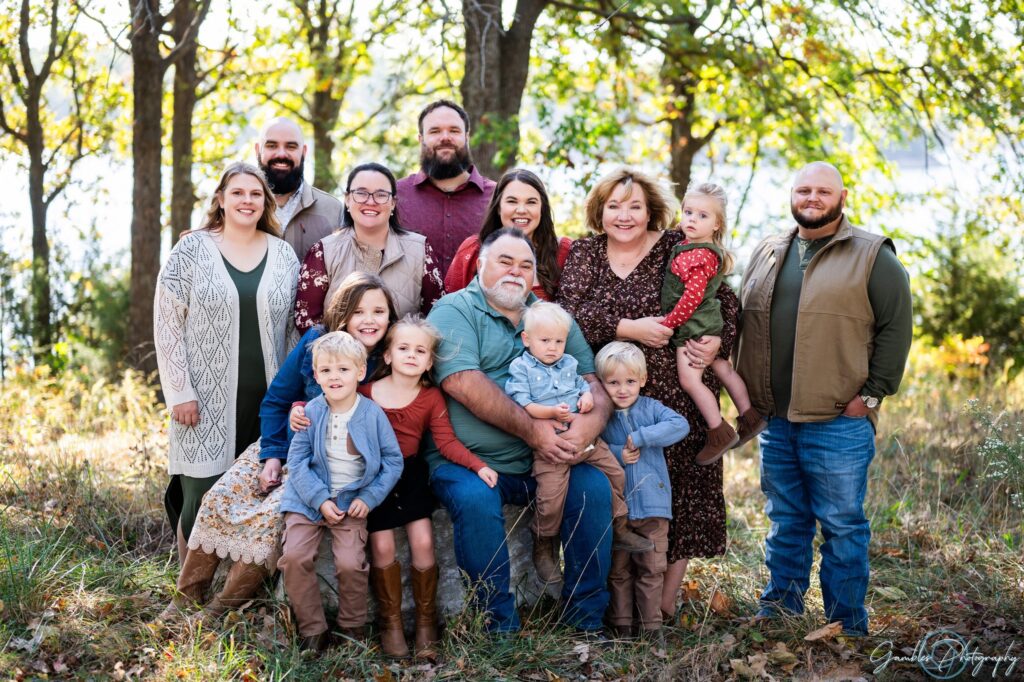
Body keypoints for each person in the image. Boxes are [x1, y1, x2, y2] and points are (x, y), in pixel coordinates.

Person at [734, 162, 912, 635]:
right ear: (792, 195)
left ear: (843, 196)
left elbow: (897, 329)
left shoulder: (873, 255)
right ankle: (781, 611)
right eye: (803, 189)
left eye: (823, 191)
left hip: (838, 419)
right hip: (776, 418)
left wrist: (870, 397)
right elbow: (742, 323)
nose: (812, 198)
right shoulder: (769, 250)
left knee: (842, 525)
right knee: (785, 519)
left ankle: (846, 624)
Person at [557, 166, 739, 622]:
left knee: (683, 491)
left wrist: (718, 340)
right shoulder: (585, 253)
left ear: (652, 210)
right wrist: (626, 328)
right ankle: (614, 600)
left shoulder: (674, 246)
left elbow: (725, 300)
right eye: (614, 205)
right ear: (600, 211)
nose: (624, 215)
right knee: (623, 493)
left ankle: (663, 602)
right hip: (610, 399)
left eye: (635, 205)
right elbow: (567, 314)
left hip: (678, 392)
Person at [163, 273, 397, 623]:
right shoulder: (316, 342)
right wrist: (271, 455)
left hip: (322, 470)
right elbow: (276, 400)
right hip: (282, 445)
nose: (369, 320)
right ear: (343, 314)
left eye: (379, 311)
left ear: (390, 317)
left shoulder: (386, 361)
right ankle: (186, 597)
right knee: (220, 496)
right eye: (359, 311)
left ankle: (217, 610)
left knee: (269, 522)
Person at [426, 228, 614, 634]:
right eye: (505, 262)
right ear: (480, 265)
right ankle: (498, 628)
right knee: (475, 499)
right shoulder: (452, 310)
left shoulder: (552, 317)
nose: (516, 272)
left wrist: (581, 433)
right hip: (468, 460)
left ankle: (586, 619)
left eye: (525, 265)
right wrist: (535, 432)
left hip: (546, 461)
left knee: (594, 487)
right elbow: (463, 383)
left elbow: (595, 384)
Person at [154, 161, 299, 572]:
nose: (246, 201)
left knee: (255, 493)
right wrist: (179, 392)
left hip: (267, 399)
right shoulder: (192, 250)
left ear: (265, 202)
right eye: (237, 193)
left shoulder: (284, 255)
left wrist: (291, 398)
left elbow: (291, 331)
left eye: (255, 194)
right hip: (203, 397)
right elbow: (167, 325)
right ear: (220, 199)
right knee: (200, 493)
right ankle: (188, 592)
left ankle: (237, 594)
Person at [358, 315, 498, 658]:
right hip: (374, 478)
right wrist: (300, 409)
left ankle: (425, 622)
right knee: (383, 547)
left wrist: (478, 465)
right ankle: (390, 623)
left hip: (411, 474)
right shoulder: (365, 394)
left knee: (423, 541)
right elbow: (328, 411)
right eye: (403, 348)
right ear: (387, 355)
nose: (411, 355)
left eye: (420, 350)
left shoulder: (431, 397)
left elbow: (447, 442)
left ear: (429, 361)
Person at [505, 301, 653, 584]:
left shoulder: (569, 363)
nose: (552, 347)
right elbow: (522, 403)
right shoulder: (521, 367)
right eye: (545, 340)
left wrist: (586, 399)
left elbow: (583, 387)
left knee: (616, 473)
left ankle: (619, 523)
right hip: (552, 447)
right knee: (550, 498)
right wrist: (549, 412)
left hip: (587, 443)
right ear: (527, 339)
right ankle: (544, 542)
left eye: (559, 341)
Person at [278, 331, 404, 652]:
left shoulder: (372, 414)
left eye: (343, 370)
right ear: (317, 375)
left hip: (351, 503)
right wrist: (319, 500)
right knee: (294, 558)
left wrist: (369, 497)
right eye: (327, 370)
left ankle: (352, 628)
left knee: (350, 563)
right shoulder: (310, 412)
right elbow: (297, 460)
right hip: (308, 501)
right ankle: (312, 629)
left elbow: (392, 460)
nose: (335, 377)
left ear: (359, 372)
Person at [660, 182, 765, 465]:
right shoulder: (689, 246)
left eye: (702, 216)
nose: (692, 219)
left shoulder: (700, 255)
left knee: (690, 380)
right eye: (688, 212)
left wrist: (671, 322)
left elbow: (691, 297)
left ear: (717, 224)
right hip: (708, 323)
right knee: (722, 368)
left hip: (693, 327)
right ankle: (750, 416)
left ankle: (718, 431)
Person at [596, 342, 689, 638]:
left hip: (652, 507)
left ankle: (651, 628)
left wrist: (642, 436)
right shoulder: (602, 414)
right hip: (618, 510)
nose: (622, 389)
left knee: (651, 567)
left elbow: (680, 425)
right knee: (619, 569)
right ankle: (621, 624)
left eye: (630, 382)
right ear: (602, 384)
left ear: (643, 380)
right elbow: (591, 446)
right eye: (613, 383)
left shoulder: (651, 408)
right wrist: (616, 453)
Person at [295, 162, 444, 330]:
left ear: (393, 203)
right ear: (348, 200)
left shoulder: (421, 250)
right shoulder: (322, 252)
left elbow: (436, 318)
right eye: (361, 193)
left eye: (381, 194)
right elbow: (306, 322)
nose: (371, 201)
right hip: (338, 355)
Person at [396, 99, 496, 276]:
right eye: (435, 131)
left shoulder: (498, 196)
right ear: (421, 139)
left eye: (454, 130)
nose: (445, 137)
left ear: (466, 137)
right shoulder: (395, 195)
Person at [445, 168, 573, 300]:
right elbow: (450, 308)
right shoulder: (472, 251)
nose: (521, 210)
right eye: (512, 201)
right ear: (499, 207)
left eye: (531, 202)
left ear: (542, 208)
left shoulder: (566, 252)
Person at [255, 117, 343, 261]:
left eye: (291, 146)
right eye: (271, 145)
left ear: (304, 151)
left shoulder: (333, 210)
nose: (281, 154)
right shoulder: (235, 207)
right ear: (258, 150)